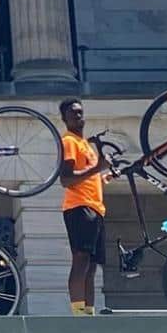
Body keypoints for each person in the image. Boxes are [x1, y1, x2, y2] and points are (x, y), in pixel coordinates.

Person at [55, 97, 111, 316]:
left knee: (91, 266)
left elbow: (89, 176)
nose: (78, 116)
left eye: (80, 112)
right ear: (64, 118)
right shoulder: (69, 141)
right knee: (81, 259)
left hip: (95, 207)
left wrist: (105, 175)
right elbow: (66, 179)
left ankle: (88, 313)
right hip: (79, 207)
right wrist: (97, 167)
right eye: (72, 113)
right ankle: (78, 314)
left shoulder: (85, 145)